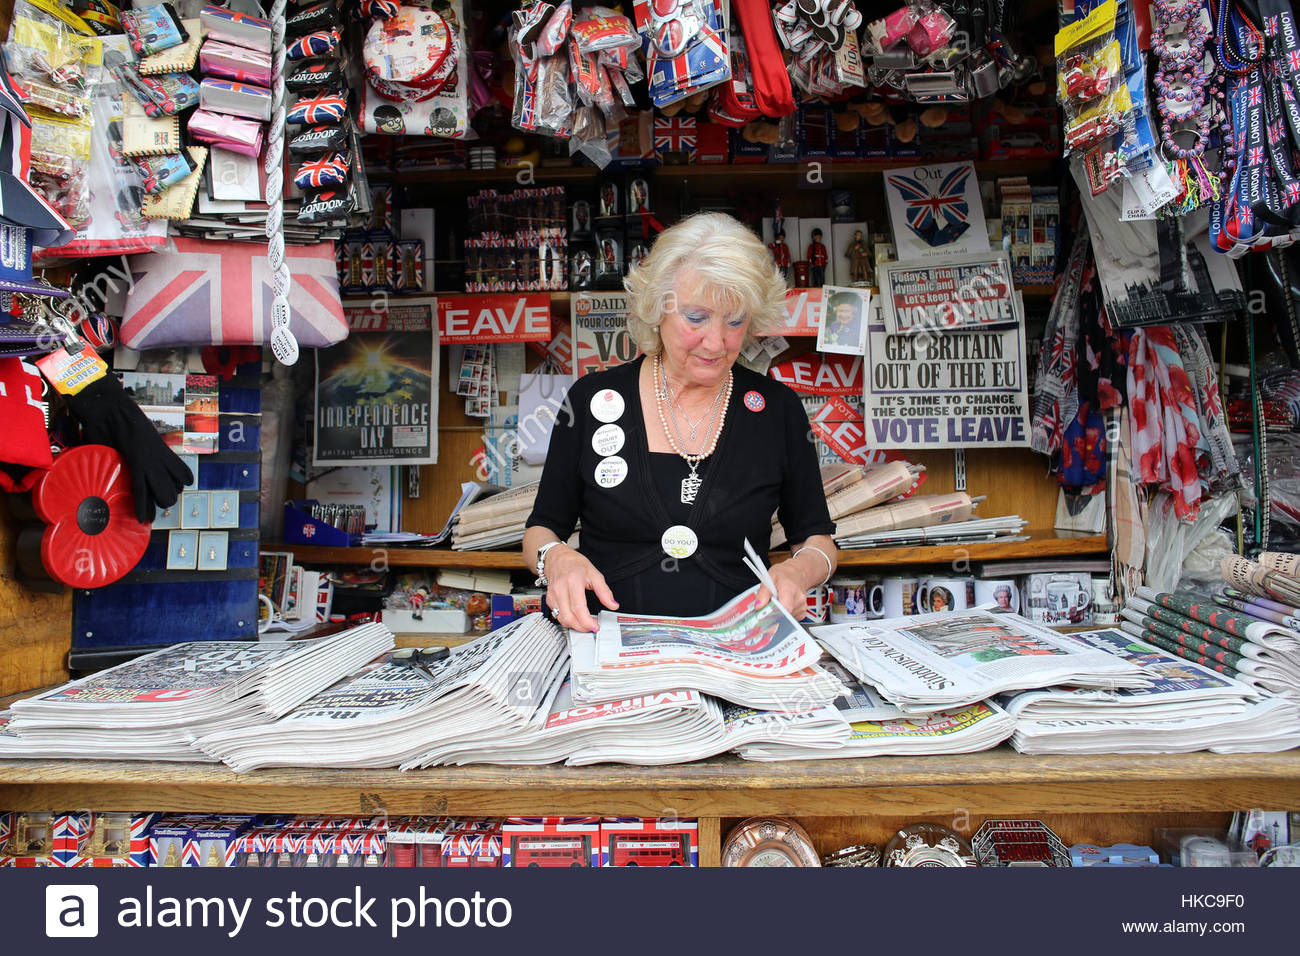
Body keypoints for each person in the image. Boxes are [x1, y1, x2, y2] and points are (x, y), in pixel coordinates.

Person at [524, 213, 838, 630]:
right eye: (696, 317)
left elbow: (817, 540)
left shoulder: (777, 410)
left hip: (740, 646)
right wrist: (557, 558)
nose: (716, 341)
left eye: (735, 320)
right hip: (604, 642)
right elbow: (541, 528)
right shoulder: (590, 400)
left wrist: (799, 572)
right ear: (658, 309)